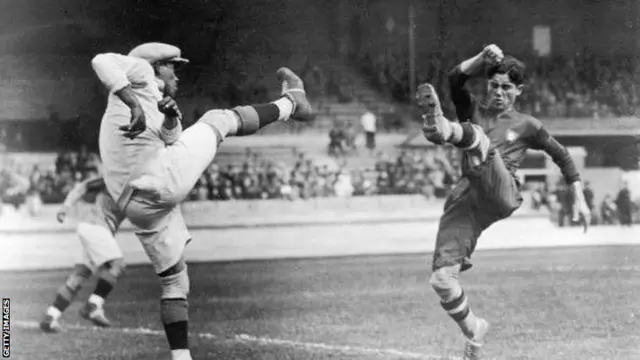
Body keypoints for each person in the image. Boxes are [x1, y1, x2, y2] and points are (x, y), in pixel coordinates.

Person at [91, 42, 313, 360]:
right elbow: (101, 60)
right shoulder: (138, 72)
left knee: (175, 281)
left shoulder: (157, 97)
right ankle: (292, 104)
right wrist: (135, 104)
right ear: (156, 66)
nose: (178, 76)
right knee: (218, 119)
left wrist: (168, 117)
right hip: (156, 180)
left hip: (137, 205)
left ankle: (181, 358)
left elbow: (170, 138)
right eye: (173, 67)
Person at [415, 44, 590, 360]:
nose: (498, 92)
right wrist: (482, 59)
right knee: (441, 280)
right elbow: (455, 78)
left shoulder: (528, 125)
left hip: (502, 191)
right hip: (467, 199)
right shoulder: (476, 110)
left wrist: (579, 195)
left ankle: (441, 128)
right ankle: (474, 330)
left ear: (518, 90)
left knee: (479, 139)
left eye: (506, 87)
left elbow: (562, 155)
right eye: (493, 85)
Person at [39, 175, 125, 333]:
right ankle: (93, 306)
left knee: (79, 276)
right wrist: (65, 207)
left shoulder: (140, 182)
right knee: (117, 264)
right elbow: (83, 186)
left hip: (91, 228)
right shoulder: (116, 174)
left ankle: (50, 317)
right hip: (96, 227)